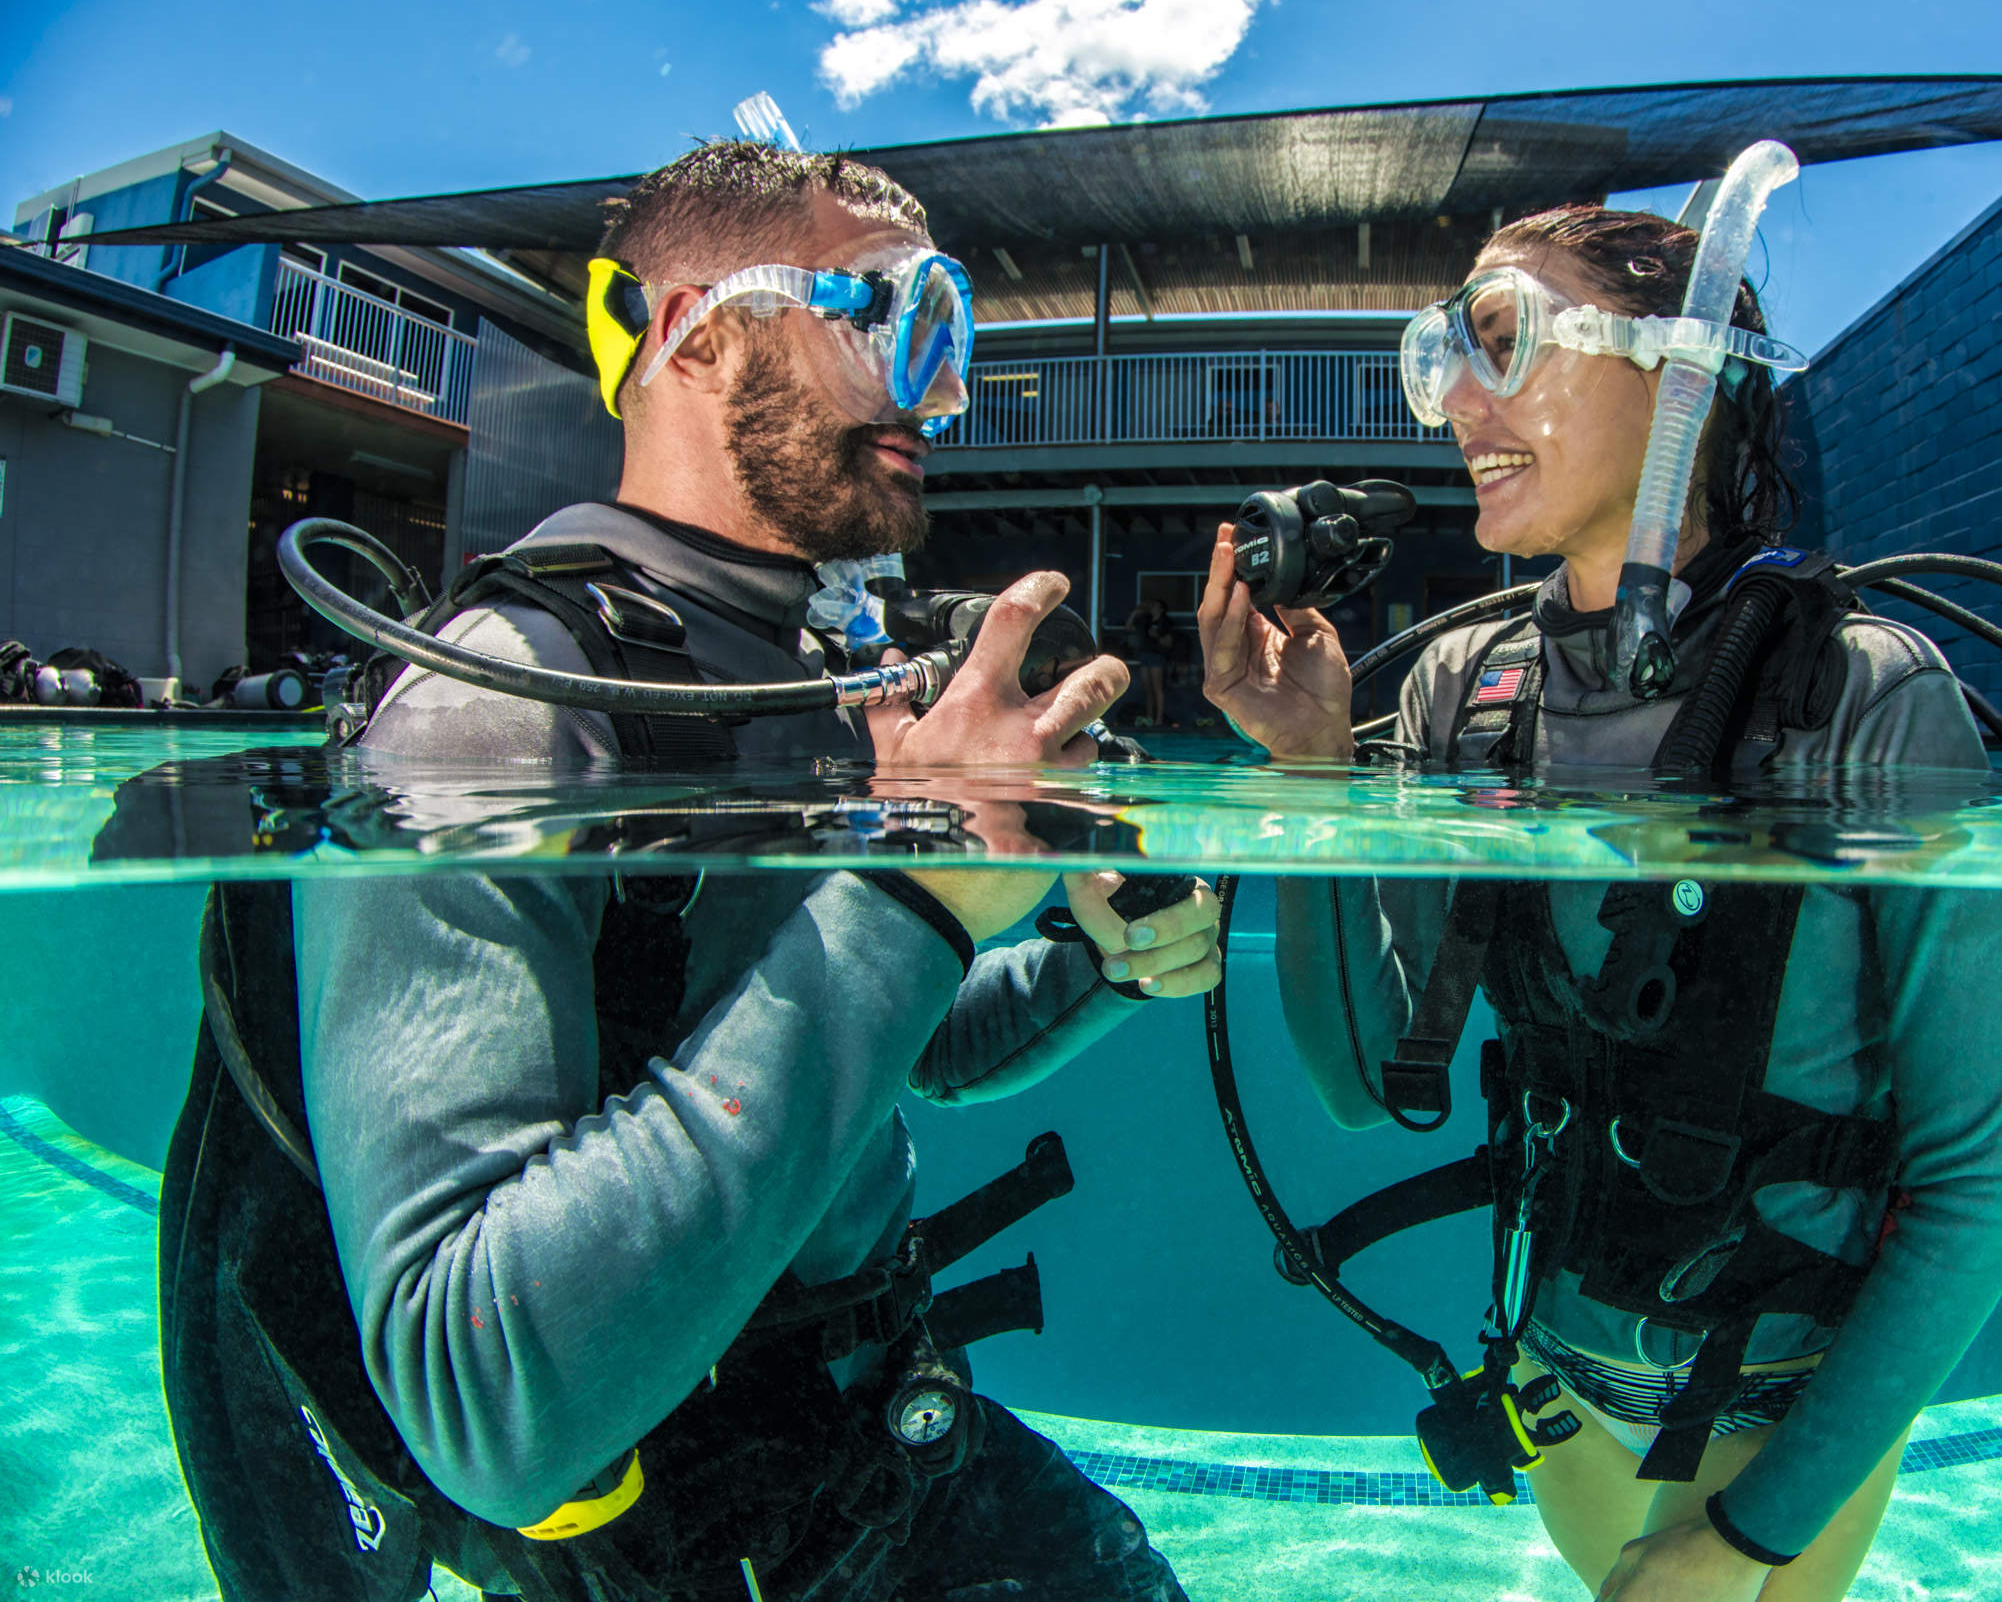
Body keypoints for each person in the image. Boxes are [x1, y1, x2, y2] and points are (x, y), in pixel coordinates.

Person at [161, 142, 1221, 1602]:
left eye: (948, 331)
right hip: (670, 1525)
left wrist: (1090, 962)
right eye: (880, 317)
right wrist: (918, 900)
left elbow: (876, 1057)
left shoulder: (818, 674)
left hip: (870, 1418)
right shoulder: (502, 703)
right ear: (691, 330)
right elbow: (487, 1400)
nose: (935, 387)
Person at [1197, 206, 2002, 1602]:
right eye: (1439, 363)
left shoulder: (1867, 698)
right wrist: (1308, 779)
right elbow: (1360, 1083)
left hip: (1779, 1406)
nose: (1457, 405)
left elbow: (1975, 1189)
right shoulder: (1456, 697)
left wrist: (1750, 1537)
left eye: (1500, 344)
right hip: (1554, 1385)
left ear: (1682, 376)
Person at [1124, 597, 1181, 726]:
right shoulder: (1146, 621)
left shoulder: (1166, 622)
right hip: (1145, 655)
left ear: (1161, 609)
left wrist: (1158, 636)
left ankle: (1159, 719)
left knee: (1157, 688)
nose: (1152, 608)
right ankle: (1150, 717)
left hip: (1157, 656)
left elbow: (1168, 642)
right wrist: (1135, 613)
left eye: (1155, 606)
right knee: (1147, 688)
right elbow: (1128, 627)